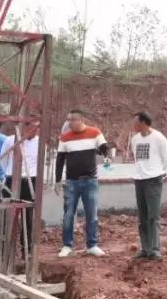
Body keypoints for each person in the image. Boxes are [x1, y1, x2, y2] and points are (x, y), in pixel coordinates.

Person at [55, 109, 110, 257]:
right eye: (68, 120)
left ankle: (92, 245)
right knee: (68, 214)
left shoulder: (94, 133)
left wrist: (107, 158)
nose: (69, 123)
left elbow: (105, 148)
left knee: (91, 214)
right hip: (72, 182)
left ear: (80, 120)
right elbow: (60, 160)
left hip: (90, 181)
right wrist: (57, 180)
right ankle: (67, 245)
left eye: (72, 120)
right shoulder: (65, 138)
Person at [130, 111, 167, 261]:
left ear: (143, 122)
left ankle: (154, 249)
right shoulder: (135, 139)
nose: (133, 125)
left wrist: (163, 174)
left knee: (153, 216)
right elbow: (136, 159)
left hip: (153, 180)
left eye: (135, 122)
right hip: (139, 180)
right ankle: (145, 249)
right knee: (142, 217)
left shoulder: (158, 138)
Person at [1, 122, 40, 255]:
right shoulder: (10, 140)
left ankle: (26, 249)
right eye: (33, 129)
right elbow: (3, 159)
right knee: (7, 215)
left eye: (37, 129)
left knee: (27, 216)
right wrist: (8, 173)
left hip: (29, 182)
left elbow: (39, 162)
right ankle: (5, 250)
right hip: (11, 179)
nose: (35, 132)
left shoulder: (39, 143)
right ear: (25, 127)